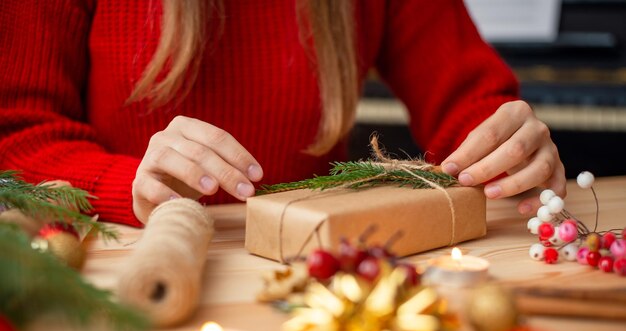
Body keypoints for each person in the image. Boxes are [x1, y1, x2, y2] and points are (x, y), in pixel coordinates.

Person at [0, 0, 565, 226]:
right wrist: (129, 187)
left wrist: (505, 147)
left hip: (312, 278)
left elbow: (470, 100)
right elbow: (17, 136)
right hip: (124, 272)